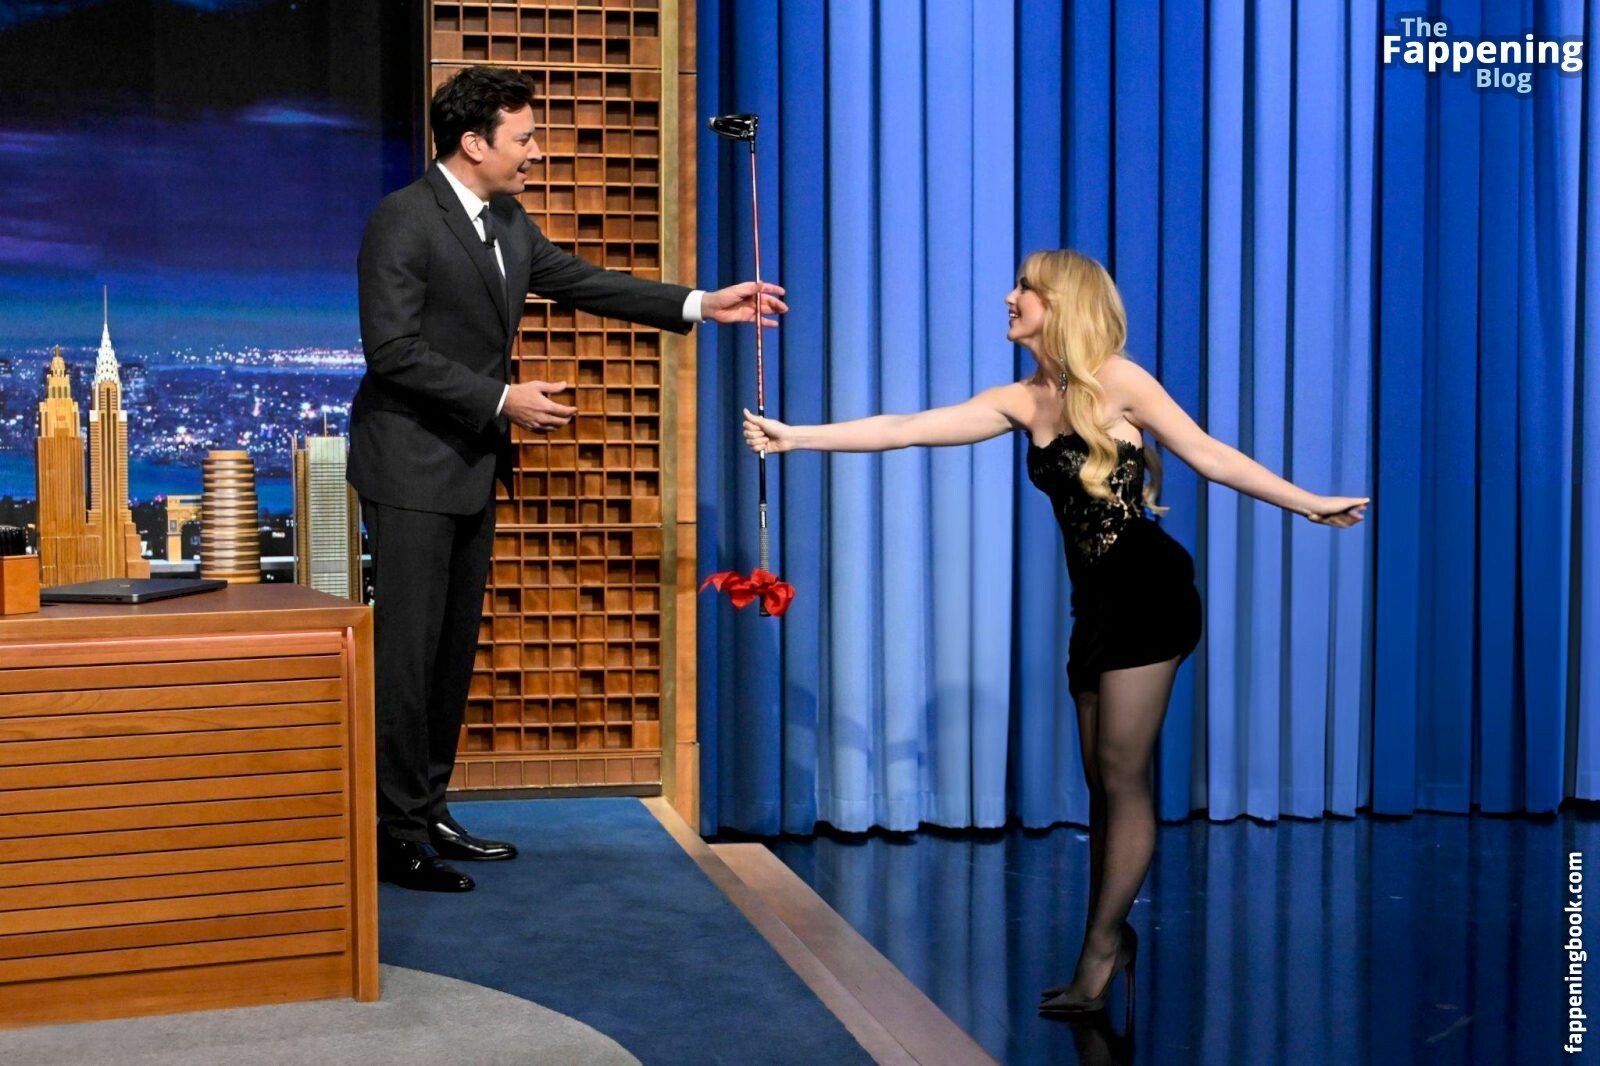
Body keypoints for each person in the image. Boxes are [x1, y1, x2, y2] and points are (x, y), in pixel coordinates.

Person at [740, 249, 1366, 1018]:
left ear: (1061, 303)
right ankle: (1109, 940)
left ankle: (1100, 952)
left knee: (1122, 775)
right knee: (1102, 782)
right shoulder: (1020, 400)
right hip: (1095, 606)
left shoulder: (1119, 381)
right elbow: (906, 428)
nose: (1009, 298)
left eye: (1025, 289)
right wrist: (798, 437)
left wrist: (1308, 503)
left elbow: (1207, 454)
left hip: (1150, 593)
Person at [351, 66, 785, 892]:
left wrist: (701, 304)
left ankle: (426, 809)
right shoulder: (402, 220)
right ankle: (395, 833)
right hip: (408, 467)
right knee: (408, 658)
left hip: (470, 466)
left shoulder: (507, 220)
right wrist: (502, 398)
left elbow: (583, 281)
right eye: (524, 138)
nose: (537, 153)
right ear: (473, 143)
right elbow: (393, 352)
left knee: (451, 655)